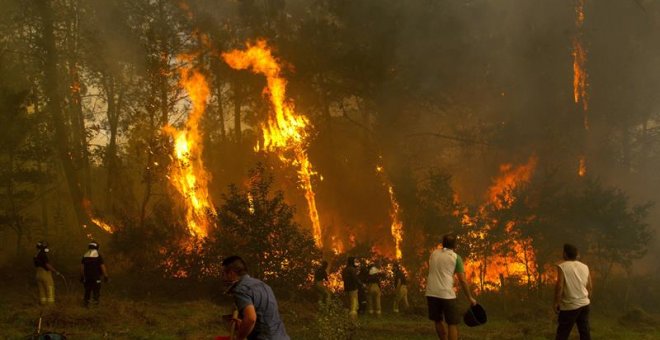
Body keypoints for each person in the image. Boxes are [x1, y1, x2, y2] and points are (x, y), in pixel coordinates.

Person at [222, 256, 289, 340]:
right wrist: (243, 324)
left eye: (223, 274)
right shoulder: (264, 285)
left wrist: (239, 338)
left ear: (231, 273)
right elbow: (265, 316)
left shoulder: (240, 289)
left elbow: (250, 319)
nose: (223, 278)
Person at [426, 234, 477, 340]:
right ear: (455, 245)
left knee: (438, 320)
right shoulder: (455, 258)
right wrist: (470, 298)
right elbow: (462, 280)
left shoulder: (434, 254)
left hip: (431, 293)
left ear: (442, 243)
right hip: (447, 295)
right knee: (452, 323)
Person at [554, 244, 592, 340]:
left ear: (565, 254)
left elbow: (559, 286)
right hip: (585, 304)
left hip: (569, 306)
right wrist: (585, 299)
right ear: (576, 255)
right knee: (584, 332)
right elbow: (590, 287)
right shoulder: (585, 267)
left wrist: (556, 302)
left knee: (562, 333)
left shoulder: (562, 266)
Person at [80, 241, 109, 307]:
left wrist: (82, 277)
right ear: (97, 247)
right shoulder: (98, 256)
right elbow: (102, 267)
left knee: (87, 291)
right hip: (96, 278)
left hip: (87, 278)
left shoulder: (85, 256)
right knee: (96, 292)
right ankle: (95, 306)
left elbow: (82, 268)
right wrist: (106, 276)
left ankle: (85, 306)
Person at [33, 241, 62, 305]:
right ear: (43, 247)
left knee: (42, 290)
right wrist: (55, 271)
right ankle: (50, 306)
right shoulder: (43, 254)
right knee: (50, 289)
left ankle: (43, 304)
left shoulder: (36, 254)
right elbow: (47, 265)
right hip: (45, 274)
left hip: (38, 274)